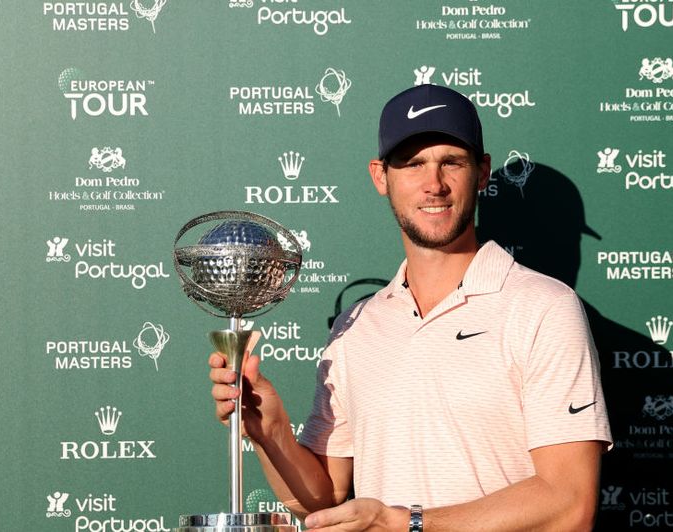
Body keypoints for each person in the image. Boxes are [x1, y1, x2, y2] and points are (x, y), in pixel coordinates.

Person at [209, 84, 611, 531]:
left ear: (481, 172)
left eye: (451, 162)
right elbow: (322, 499)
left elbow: (569, 505)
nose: (434, 184)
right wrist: (271, 431)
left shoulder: (545, 308)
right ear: (381, 176)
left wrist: (406, 523)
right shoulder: (356, 327)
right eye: (413, 163)